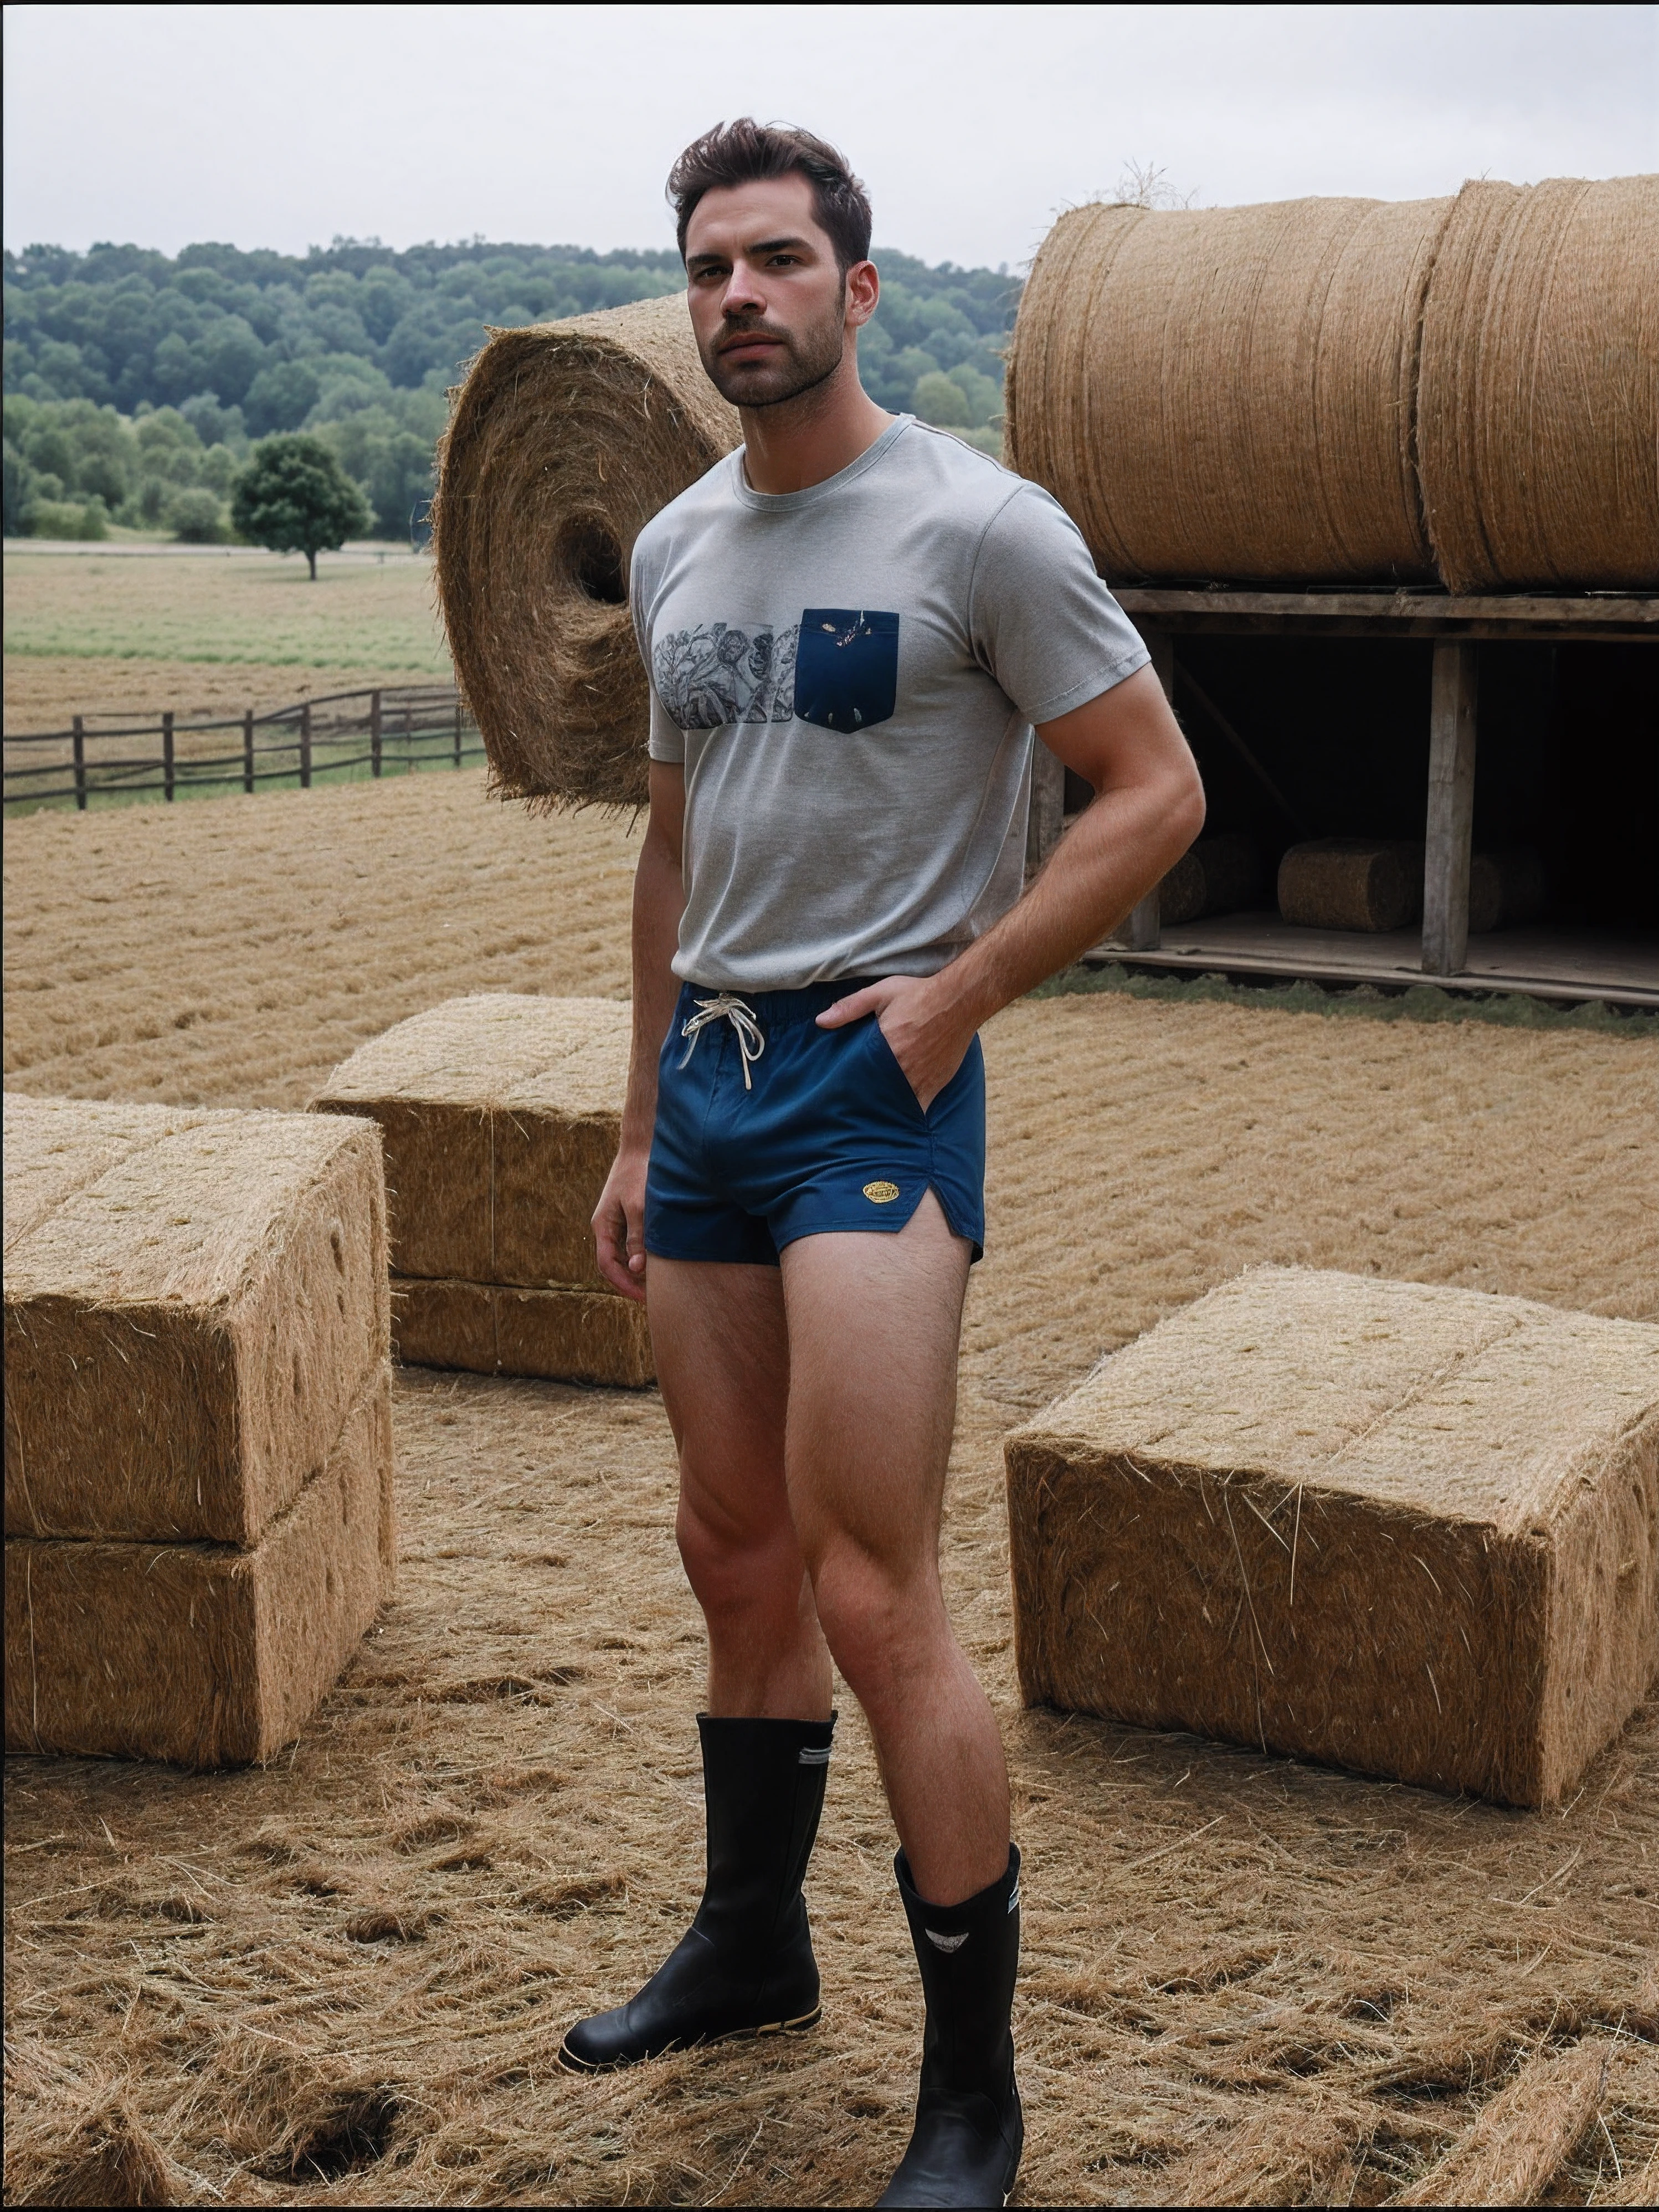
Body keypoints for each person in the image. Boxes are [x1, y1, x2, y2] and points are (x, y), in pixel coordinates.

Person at [561, 118, 1205, 2209]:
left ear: (857, 288)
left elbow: (1153, 791)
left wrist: (954, 1000)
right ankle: (753, 1947)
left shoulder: (983, 530)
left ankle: (972, 2098)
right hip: (719, 1095)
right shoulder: (672, 549)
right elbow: (676, 847)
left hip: (871, 1092)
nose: (736, 296)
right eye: (707, 268)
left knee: (872, 1589)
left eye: (774, 261)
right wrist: (644, 1113)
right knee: (730, 1557)